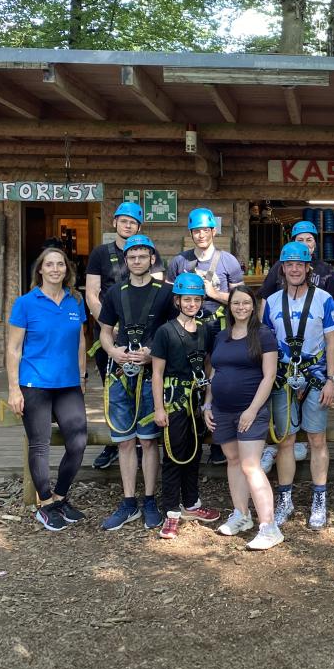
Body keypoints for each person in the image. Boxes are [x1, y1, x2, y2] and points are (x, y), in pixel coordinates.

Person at [6, 245, 89, 531]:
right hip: (34, 383)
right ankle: (44, 504)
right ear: (40, 269)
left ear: (67, 269)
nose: (55, 269)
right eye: (49, 264)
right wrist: (14, 389)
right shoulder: (26, 303)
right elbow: (14, 348)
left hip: (68, 384)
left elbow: (80, 340)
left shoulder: (75, 300)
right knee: (39, 445)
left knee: (78, 442)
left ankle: (60, 497)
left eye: (61, 264)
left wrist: (82, 374)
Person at [96, 235, 174, 531]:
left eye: (142, 256)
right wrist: (113, 351)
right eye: (132, 257)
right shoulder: (116, 292)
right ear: (126, 261)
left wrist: (153, 353)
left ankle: (150, 499)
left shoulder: (166, 293)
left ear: (152, 258)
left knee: (148, 440)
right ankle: (129, 502)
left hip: (150, 374)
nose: (137, 261)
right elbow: (104, 331)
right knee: (126, 441)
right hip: (120, 373)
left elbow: (173, 330)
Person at [262, 241, 334, 530]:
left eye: (300, 264)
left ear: (308, 268)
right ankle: (285, 499)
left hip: (316, 375)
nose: (295, 269)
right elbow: (267, 343)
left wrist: (332, 379)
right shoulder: (271, 302)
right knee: (286, 441)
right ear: (283, 268)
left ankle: (319, 498)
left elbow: (333, 341)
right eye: (289, 264)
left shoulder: (324, 299)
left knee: (317, 438)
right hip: (283, 377)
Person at [203, 286, 284, 550]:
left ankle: (269, 527)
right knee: (233, 461)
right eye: (236, 303)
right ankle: (242, 514)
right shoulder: (222, 336)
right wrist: (207, 404)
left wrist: (251, 410)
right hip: (222, 411)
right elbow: (214, 372)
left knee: (251, 465)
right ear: (229, 307)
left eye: (246, 303)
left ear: (254, 306)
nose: (241, 307)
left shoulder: (263, 335)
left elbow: (269, 376)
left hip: (251, 410)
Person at [85, 201, 160, 470]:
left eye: (133, 221)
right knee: (115, 390)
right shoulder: (100, 253)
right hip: (111, 329)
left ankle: (143, 441)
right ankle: (117, 442)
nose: (127, 225)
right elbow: (92, 293)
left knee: (147, 389)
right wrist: (111, 324)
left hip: (144, 334)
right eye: (123, 220)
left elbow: (156, 289)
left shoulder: (148, 250)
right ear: (114, 222)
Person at [147, 273, 222, 538]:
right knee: (173, 456)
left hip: (196, 400)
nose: (191, 304)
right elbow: (157, 373)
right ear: (177, 301)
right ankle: (171, 511)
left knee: (193, 453)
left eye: (196, 299)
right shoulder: (166, 332)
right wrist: (159, 408)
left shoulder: (204, 330)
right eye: (186, 299)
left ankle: (191, 503)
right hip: (173, 400)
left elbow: (208, 363)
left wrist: (207, 400)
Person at [171, 207, 245, 327]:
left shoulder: (229, 261)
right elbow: (170, 297)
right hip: (187, 327)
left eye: (206, 230)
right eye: (196, 231)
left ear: (213, 231)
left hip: (219, 326)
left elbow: (241, 299)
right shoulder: (179, 261)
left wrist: (215, 294)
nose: (201, 235)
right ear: (190, 233)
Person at [259, 220, 334, 303]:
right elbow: (265, 299)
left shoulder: (327, 270)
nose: (305, 244)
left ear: (315, 243)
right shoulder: (280, 265)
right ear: (293, 242)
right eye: (300, 240)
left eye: (309, 240)